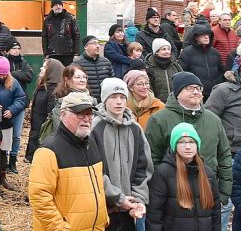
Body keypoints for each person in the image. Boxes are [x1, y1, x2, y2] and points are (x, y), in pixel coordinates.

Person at [144, 72, 233, 231]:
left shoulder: (214, 120)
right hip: (174, 200)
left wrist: (224, 193)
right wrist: (164, 191)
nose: (196, 92)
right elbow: (151, 159)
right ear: (178, 93)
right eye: (189, 88)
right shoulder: (159, 120)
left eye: (199, 88)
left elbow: (224, 156)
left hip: (207, 195)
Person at [29, 91, 112, 231]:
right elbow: (39, 198)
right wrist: (60, 228)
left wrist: (103, 219)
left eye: (89, 113)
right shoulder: (48, 151)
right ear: (63, 115)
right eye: (80, 113)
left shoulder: (92, 143)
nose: (86, 119)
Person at [91, 78, 151, 230]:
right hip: (102, 208)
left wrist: (138, 199)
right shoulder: (94, 129)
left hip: (129, 209)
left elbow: (143, 167)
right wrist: (117, 197)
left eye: (122, 97)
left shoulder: (135, 129)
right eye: (113, 97)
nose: (119, 102)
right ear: (104, 100)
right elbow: (94, 171)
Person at [146, 122, 221, 231]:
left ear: (197, 145)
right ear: (174, 146)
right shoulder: (163, 172)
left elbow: (215, 213)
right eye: (181, 142)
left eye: (192, 142)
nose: (187, 147)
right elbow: (154, 214)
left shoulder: (208, 173)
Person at [0, 56, 27, 188]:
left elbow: (21, 98)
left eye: (4, 74)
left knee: (3, 151)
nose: (1, 77)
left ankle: (2, 177)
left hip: (6, 123)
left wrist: (12, 110)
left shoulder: (13, 82)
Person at [25, 58, 65, 163]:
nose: (41, 68)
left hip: (44, 137)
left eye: (44, 66)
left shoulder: (54, 91)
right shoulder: (43, 87)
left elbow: (51, 117)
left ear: (51, 71)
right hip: (36, 133)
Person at [177, 25, 223, 101]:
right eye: (203, 35)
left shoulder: (214, 52)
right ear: (195, 37)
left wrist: (219, 84)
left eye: (208, 35)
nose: (206, 37)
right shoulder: (187, 52)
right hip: (196, 92)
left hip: (215, 92)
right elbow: (182, 72)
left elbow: (221, 70)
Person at [74, 35, 113, 102]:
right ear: (85, 47)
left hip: (104, 102)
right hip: (87, 101)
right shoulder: (78, 63)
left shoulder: (106, 62)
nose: (97, 46)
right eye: (94, 43)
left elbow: (112, 81)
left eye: (98, 43)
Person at [42, 0, 79, 66]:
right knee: (54, 74)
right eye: (56, 5)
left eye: (60, 5)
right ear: (52, 7)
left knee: (68, 73)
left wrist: (76, 53)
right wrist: (46, 53)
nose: (58, 6)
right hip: (53, 53)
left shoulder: (70, 18)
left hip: (68, 53)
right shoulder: (47, 20)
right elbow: (44, 37)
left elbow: (76, 35)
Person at [144, 38, 181, 103]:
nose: (167, 51)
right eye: (163, 49)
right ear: (156, 52)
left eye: (168, 49)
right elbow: (148, 89)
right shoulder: (149, 67)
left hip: (176, 104)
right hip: (157, 104)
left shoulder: (175, 66)